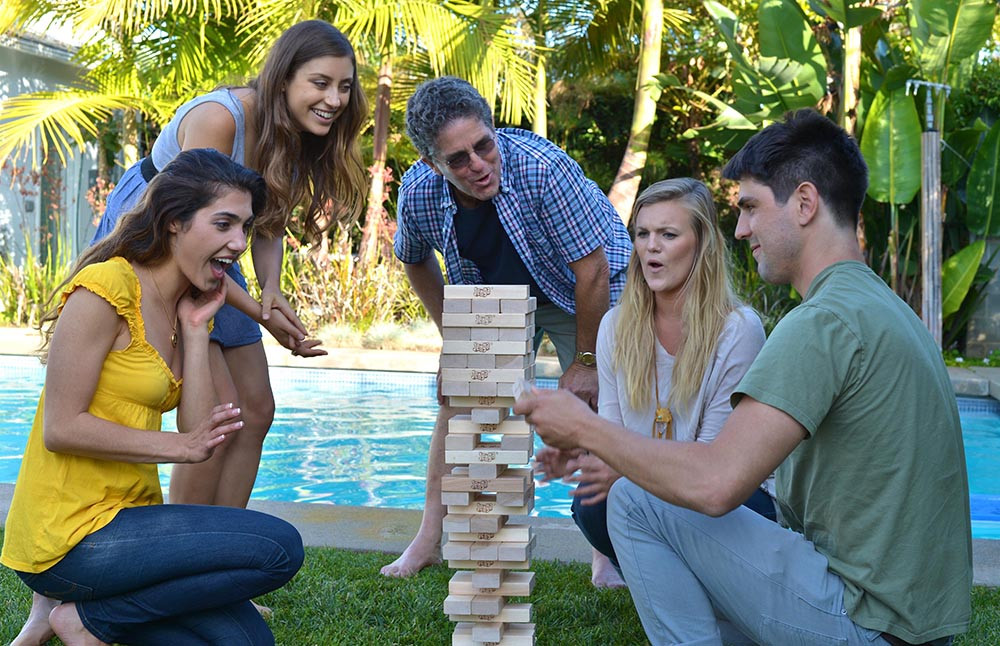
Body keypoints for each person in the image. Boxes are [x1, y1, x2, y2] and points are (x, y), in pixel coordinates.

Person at [515, 109, 972, 645]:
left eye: (752, 208)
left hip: (864, 622)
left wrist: (584, 428)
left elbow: (715, 484)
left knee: (636, 501)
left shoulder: (821, 323)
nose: (741, 229)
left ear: (805, 203)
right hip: (904, 621)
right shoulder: (878, 306)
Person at [3, 148, 305, 646]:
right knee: (278, 547)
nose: (238, 243)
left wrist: (194, 330)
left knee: (247, 643)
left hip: (133, 520)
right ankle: (78, 617)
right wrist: (180, 449)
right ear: (174, 223)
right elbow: (62, 428)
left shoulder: (184, 305)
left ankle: (93, 619)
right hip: (70, 537)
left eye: (245, 229)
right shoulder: (106, 290)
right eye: (224, 224)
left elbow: (195, 428)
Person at [90, 19, 368, 509]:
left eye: (344, 86)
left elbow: (264, 219)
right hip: (161, 238)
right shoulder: (222, 118)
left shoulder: (296, 129)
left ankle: (224, 547)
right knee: (220, 413)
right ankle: (187, 558)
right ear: (284, 79)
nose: (335, 98)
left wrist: (271, 291)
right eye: (320, 83)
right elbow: (197, 229)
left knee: (256, 410)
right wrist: (261, 314)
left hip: (218, 242)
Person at [383, 76, 632, 578]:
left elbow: (594, 269)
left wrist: (586, 362)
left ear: (493, 131)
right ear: (432, 164)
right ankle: (428, 539)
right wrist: (454, 340)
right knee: (456, 398)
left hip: (581, 287)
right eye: (458, 159)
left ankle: (603, 549)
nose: (477, 166)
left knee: (602, 400)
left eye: (483, 146)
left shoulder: (543, 171)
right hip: (493, 298)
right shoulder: (419, 194)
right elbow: (414, 261)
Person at [535, 178, 772, 589]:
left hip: (728, 500)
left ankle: (703, 582)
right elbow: (610, 439)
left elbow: (713, 466)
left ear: (701, 245)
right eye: (642, 234)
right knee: (590, 503)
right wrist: (586, 455)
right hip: (646, 490)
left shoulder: (738, 330)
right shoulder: (614, 327)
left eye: (668, 234)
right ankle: (671, 579)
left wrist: (622, 467)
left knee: (640, 496)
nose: (651, 247)